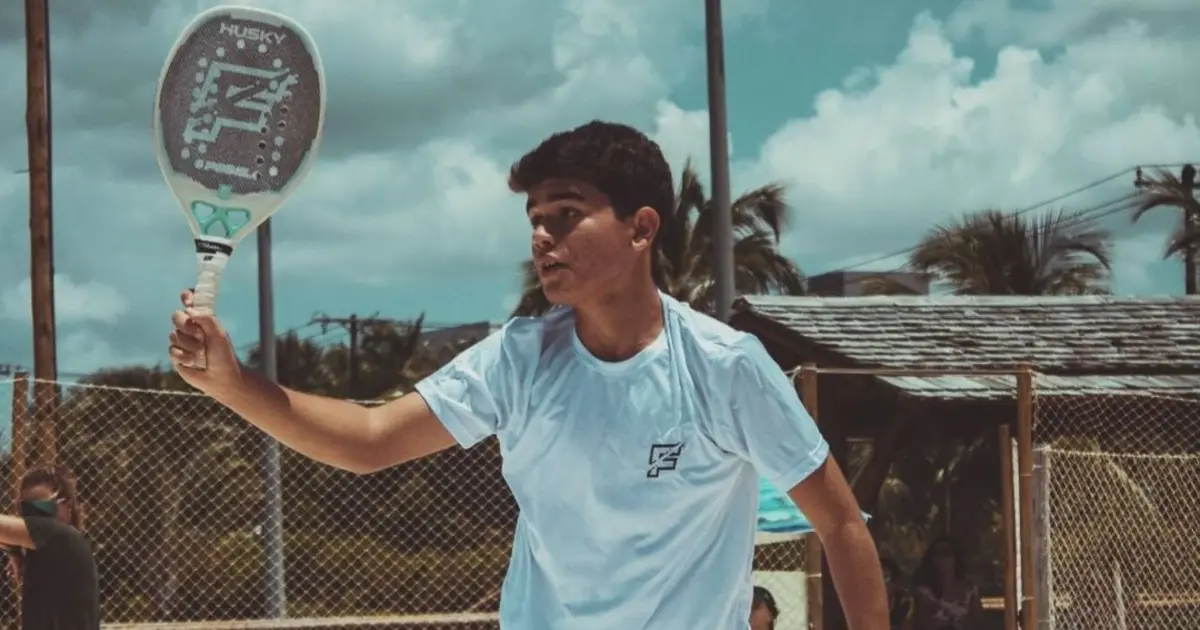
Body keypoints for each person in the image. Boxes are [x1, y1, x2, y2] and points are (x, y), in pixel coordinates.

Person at [168, 120, 888, 629]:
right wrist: (234, 384)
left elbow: (841, 522)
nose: (543, 235)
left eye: (568, 214)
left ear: (642, 228)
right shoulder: (519, 359)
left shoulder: (726, 368)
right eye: (535, 218)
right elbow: (369, 439)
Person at [0, 464, 100, 630]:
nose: (36, 518)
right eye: (27, 509)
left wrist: (14, 547)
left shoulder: (65, 537)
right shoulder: (45, 550)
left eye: (43, 508)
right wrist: (15, 550)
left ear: (67, 508)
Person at [913, 536, 983, 630]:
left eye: (946, 553)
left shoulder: (969, 590)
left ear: (956, 557)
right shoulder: (924, 592)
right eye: (936, 554)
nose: (941, 558)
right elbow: (923, 624)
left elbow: (979, 623)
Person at [881, 557, 914, 630]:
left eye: (885, 577)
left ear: (895, 582)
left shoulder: (904, 601)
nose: (881, 583)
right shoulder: (864, 601)